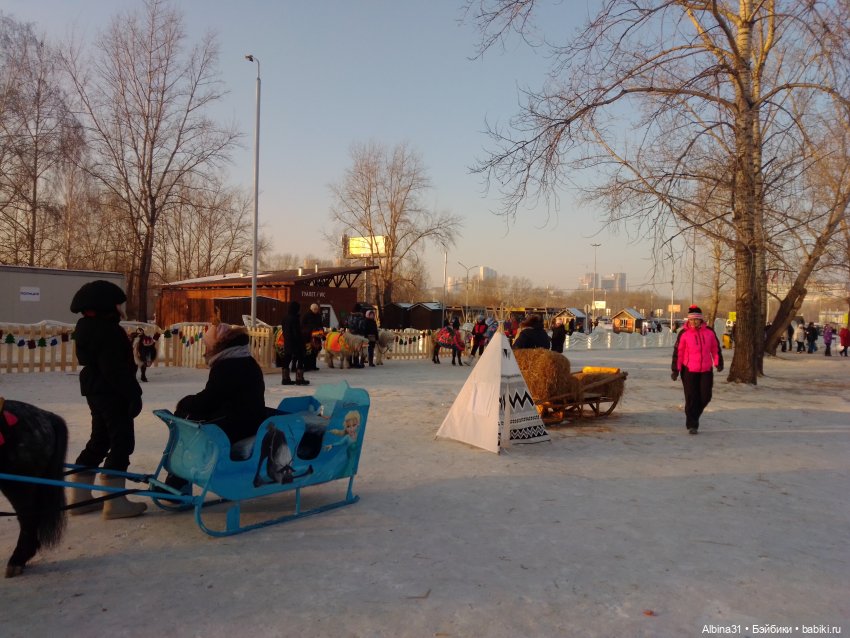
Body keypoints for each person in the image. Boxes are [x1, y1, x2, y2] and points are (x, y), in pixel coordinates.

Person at [68, 280, 147, 519]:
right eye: (117, 304)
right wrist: (133, 394)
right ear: (105, 306)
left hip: (95, 389)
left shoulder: (86, 326)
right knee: (122, 441)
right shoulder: (107, 330)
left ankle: (80, 498)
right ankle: (115, 503)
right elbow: (115, 369)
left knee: (99, 440)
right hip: (111, 391)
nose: (121, 308)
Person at [164, 315, 268, 493]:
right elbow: (217, 398)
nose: (205, 350)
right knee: (192, 418)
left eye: (207, 345)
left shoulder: (228, 365)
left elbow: (210, 399)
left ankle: (177, 483)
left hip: (239, 424)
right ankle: (177, 482)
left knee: (190, 429)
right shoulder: (243, 359)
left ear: (218, 346)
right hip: (248, 418)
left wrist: (185, 404)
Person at [671, 305, 723, 435]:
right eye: (691, 320)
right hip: (688, 370)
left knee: (706, 396)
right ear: (688, 320)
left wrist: (718, 362)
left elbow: (715, 349)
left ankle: (694, 415)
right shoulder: (684, 333)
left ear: (701, 320)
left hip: (706, 369)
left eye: (696, 319)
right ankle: (692, 424)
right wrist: (675, 370)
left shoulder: (709, 332)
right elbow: (678, 353)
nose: (694, 322)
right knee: (691, 397)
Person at [277, 301, 310, 385]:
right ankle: (299, 378)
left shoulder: (285, 318)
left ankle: (285, 378)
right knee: (300, 358)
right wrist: (301, 342)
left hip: (287, 342)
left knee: (287, 359)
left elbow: (284, 331)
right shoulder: (295, 319)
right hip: (296, 342)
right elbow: (297, 332)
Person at [301, 303, 324, 371]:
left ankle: (313, 365)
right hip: (308, 336)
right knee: (308, 351)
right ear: (311, 309)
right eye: (314, 309)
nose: (316, 310)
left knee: (315, 351)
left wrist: (322, 334)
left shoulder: (319, 316)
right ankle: (306, 366)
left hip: (317, 336)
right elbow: (303, 326)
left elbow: (321, 325)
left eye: (317, 309)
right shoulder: (306, 315)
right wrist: (309, 330)